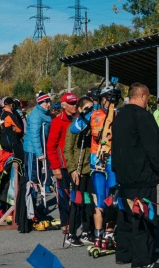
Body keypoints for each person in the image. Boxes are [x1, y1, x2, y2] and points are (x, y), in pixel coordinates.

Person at [112, 83, 159, 268]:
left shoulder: (119, 116)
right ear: (143, 96)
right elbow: (153, 147)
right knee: (144, 219)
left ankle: (124, 253)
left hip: (123, 175)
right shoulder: (143, 116)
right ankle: (142, 259)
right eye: (148, 98)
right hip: (142, 175)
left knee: (126, 216)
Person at [89, 85, 121, 249]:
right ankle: (100, 234)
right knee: (102, 199)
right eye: (109, 99)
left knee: (111, 199)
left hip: (109, 160)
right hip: (101, 160)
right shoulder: (98, 115)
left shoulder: (116, 114)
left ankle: (106, 234)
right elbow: (100, 135)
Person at [63, 96, 95, 246]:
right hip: (78, 169)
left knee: (89, 202)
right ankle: (71, 232)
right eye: (87, 108)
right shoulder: (74, 127)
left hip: (90, 169)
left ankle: (87, 230)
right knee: (77, 202)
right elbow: (67, 150)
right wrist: (73, 170)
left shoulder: (92, 125)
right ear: (80, 109)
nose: (90, 111)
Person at [46, 92, 79, 232]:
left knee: (80, 195)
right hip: (63, 166)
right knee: (64, 195)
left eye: (76, 103)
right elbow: (51, 146)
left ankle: (79, 220)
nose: (75, 106)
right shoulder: (57, 121)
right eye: (71, 104)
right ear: (64, 106)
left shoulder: (80, 118)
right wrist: (55, 167)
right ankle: (66, 222)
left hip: (78, 164)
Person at [23, 92, 52, 197]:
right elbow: (35, 136)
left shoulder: (46, 113)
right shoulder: (36, 115)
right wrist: (39, 153)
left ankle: (34, 202)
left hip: (40, 148)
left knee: (37, 175)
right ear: (40, 103)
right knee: (32, 177)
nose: (48, 104)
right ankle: (30, 201)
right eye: (45, 102)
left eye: (49, 102)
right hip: (32, 149)